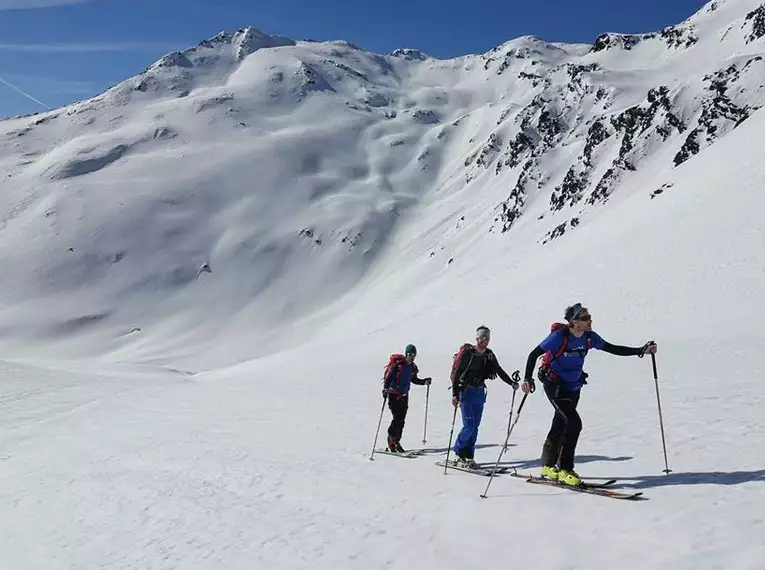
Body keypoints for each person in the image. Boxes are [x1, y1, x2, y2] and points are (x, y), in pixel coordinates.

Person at [521, 303, 658, 486]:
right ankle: (565, 469)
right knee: (574, 423)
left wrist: (640, 351)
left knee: (561, 423)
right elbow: (533, 354)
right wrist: (527, 379)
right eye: (585, 318)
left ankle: (547, 465)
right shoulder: (559, 337)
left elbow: (613, 348)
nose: (590, 320)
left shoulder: (589, 338)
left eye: (589, 317)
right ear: (574, 321)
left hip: (574, 387)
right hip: (554, 385)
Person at [450, 326, 518, 468]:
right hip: (466, 392)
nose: (485, 341)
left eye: (487, 339)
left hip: (479, 393)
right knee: (469, 426)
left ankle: (469, 455)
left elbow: (498, 370)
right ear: (477, 339)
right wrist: (455, 394)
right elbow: (457, 374)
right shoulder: (468, 354)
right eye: (482, 338)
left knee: (475, 427)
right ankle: (458, 452)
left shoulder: (489, 355)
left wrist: (511, 383)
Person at [382, 344, 431, 453]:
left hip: (404, 396)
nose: (412, 356)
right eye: (410, 354)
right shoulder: (398, 365)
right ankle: (391, 439)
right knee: (397, 418)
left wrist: (424, 382)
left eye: (413, 355)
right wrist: (385, 389)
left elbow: (414, 379)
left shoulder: (413, 367)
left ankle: (397, 441)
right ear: (406, 354)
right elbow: (388, 379)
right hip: (394, 395)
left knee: (401, 420)